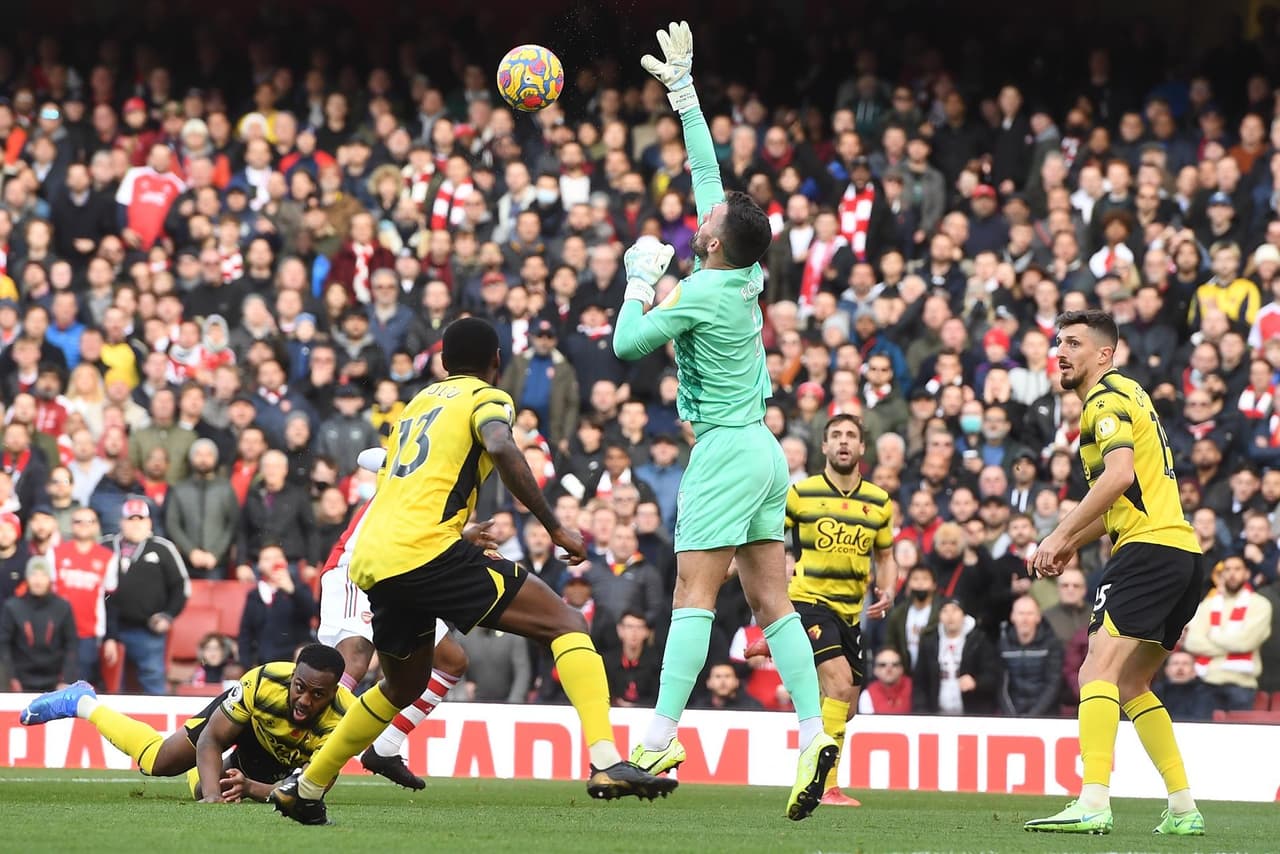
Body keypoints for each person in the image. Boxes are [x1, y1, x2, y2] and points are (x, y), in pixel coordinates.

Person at [269, 318, 675, 825]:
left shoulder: (418, 404)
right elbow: (502, 446)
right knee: (568, 624)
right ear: (496, 362)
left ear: (442, 363)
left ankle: (305, 787)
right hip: (424, 552)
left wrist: (456, 535)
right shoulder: (487, 397)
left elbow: (407, 490)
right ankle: (606, 761)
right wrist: (555, 527)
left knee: (402, 685)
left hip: (373, 558)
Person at [611, 22, 836, 822]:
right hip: (765, 451)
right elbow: (710, 172)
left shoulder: (703, 289)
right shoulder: (739, 273)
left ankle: (661, 737)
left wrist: (640, 279)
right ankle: (815, 734)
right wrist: (684, 92)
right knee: (772, 602)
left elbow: (626, 342)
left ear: (710, 243)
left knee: (691, 595)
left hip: (726, 453)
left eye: (701, 225)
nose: (695, 220)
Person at [1026, 310, 1205, 836]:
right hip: (1183, 555)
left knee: (1094, 674)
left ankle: (1093, 801)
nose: (1061, 351)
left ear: (1104, 354)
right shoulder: (1133, 396)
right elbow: (1120, 498)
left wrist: (1058, 534)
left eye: (1074, 343)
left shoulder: (1104, 400)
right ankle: (1183, 807)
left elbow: (1118, 475)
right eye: (1059, 341)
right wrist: (1071, 543)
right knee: (1130, 682)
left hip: (1147, 553)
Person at [746, 414, 896, 806]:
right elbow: (765, 537)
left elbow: (887, 554)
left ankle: (784, 644)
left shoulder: (879, 501)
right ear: (824, 447)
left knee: (844, 709)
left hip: (851, 614)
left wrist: (890, 585)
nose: (844, 442)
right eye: (836, 436)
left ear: (862, 447)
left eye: (851, 436)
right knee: (841, 684)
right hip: (809, 600)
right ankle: (825, 785)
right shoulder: (801, 494)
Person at [314, 446, 478, 790]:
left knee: (452, 661)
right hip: (359, 566)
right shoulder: (428, 466)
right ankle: (307, 755)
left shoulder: (465, 485)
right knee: (353, 660)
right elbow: (367, 458)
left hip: (402, 573)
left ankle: (384, 747)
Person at [19, 644, 351, 803]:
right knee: (159, 762)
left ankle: (221, 774)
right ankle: (83, 703)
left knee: (212, 787)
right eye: (300, 687)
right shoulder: (262, 681)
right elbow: (211, 739)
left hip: (270, 762)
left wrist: (249, 787)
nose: (305, 700)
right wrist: (211, 798)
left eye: (318, 694)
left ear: (334, 692)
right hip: (245, 724)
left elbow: (307, 792)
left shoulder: (342, 723)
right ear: (292, 677)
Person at [101, 498, 190, 695]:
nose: (135, 524)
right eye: (130, 519)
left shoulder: (162, 548)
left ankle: (159, 724)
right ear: (121, 522)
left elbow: (181, 586)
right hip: (107, 629)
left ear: (149, 523)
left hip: (147, 629)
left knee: (153, 680)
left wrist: (167, 615)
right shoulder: (105, 545)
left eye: (140, 519)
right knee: (105, 682)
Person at [1183, 554, 1273, 712]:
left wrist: (1212, 636)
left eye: (1237, 569)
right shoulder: (1208, 604)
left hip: (1242, 687)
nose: (1232, 574)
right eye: (1227, 569)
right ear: (1222, 574)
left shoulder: (1260, 605)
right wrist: (1231, 643)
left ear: (1247, 573)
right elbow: (1192, 642)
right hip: (1206, 684)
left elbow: (1246, 643)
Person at [50, 507, 116, 685]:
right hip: (57, 630)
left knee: (80, 684)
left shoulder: (107, 557)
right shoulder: (55, 553)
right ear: (71, 525)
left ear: (97, 526)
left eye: (90, 521)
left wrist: (110, 637)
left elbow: (111, 600)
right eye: (78, 521)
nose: (84, 525)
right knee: (54, 683)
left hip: (88, 632)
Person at [912, 598, 1002, 715]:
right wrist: (922, 712)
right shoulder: (930, 642)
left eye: (955, 610)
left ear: (963, 615)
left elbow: (993, 676)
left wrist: (976, 682)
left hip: (972, 712)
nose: (950, 616)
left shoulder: (979, 640)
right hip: (936, 714)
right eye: (945, 611)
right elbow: (920, 680)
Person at [0, 557, 78, 690]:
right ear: (27, 578)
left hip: (54, 680)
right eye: (33, 575)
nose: (38, 580)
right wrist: (12, 678)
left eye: (43, 575)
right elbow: (4, 644)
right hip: (20, 679)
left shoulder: (63, 607)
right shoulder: (12, 607)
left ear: (49, 578)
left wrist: (66, 679)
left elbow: (71, 645)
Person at [998, 594, 1064, 716]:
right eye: (1021, 613)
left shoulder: (1051, 643)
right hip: (1011, 715)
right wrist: (1012, 715)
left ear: (1038, 617)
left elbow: (1053, 683)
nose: (1025, 619)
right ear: (1012, 616)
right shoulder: (1003, 644)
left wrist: (1032, 716)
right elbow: (1000, 685)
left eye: (1029, 613)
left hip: (1046, 715)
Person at [858, 649, 913, 715]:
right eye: (883, 665)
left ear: (901, 669)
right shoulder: (867, 695)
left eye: (894, 664)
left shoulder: (914, 688)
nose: (889, 669)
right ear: (875, 670)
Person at [693, 660, 764, 710]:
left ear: (737, 682)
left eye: (727, 676)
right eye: (718, 676)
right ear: (708, 683)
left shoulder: (752, 707)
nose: (723, 681)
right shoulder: (697, 708)